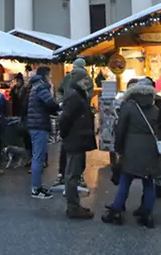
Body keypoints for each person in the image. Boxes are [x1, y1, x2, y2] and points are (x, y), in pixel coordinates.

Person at [101, 78, 161, 227]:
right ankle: (147, 214)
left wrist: (119, 148)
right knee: (148, 182)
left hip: (131, 148)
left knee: (125, 180)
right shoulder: (155, 108)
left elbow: (120, 129)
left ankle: (116, 211)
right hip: (150, 149)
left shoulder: (129, 106)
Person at [58, 68, 96, 219]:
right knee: (72, 174)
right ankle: (73, 207)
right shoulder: (75, 97)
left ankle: (75, 205)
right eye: (84, 79)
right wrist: (65, 134)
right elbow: (64, 119)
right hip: (75, 139)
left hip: (78, 139)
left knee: (75, 172)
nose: (86, 82)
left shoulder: (78, 95)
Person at [54, 58, 91, 190]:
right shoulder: (68, 79)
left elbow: (88, 93)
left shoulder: (84, 79)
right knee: (72, 149)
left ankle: (70, 174)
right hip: (71, 115)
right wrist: (61, 102)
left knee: (73, 149)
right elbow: (60, 90)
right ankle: (67, 175)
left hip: (76, 118)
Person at [27, 66, 60, 199]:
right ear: (45, 75)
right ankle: (36, 189)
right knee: (38, 157)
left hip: (35, 124)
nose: (51, 78)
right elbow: (50, 103)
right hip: (39, 125)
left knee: (38, 156)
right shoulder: (41, 87)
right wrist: (60, 107)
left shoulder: (35, 86)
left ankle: (37, 186)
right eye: (50, 75)